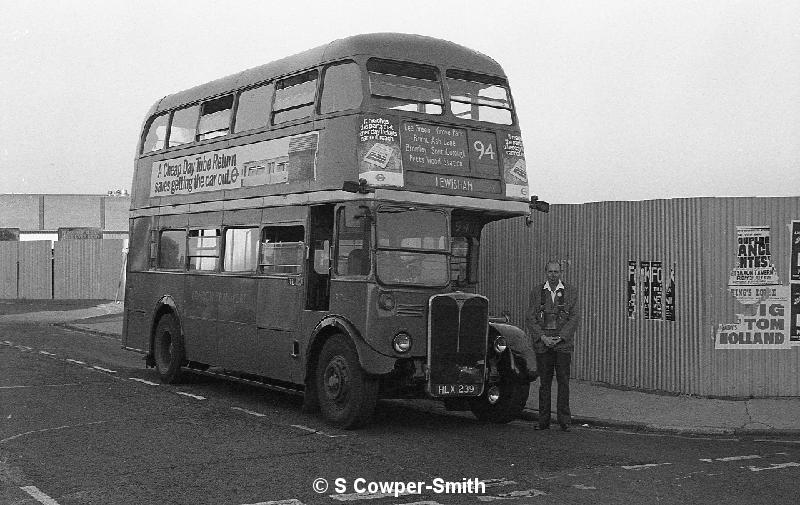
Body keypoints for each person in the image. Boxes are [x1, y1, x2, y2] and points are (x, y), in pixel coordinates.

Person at [526, 261, 579, 431]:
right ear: (545, 272)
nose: (553, 274)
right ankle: (543, 421)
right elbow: (530, 317)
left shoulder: (571, 291)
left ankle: (565, 422)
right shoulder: (537, 291)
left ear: (561, 272)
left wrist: (561, 338)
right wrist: (542, 337)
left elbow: (574, 318)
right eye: (550, 271)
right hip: (543, 345)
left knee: (563, 382)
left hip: (563, 346)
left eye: (556, 271)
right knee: (545, 383)